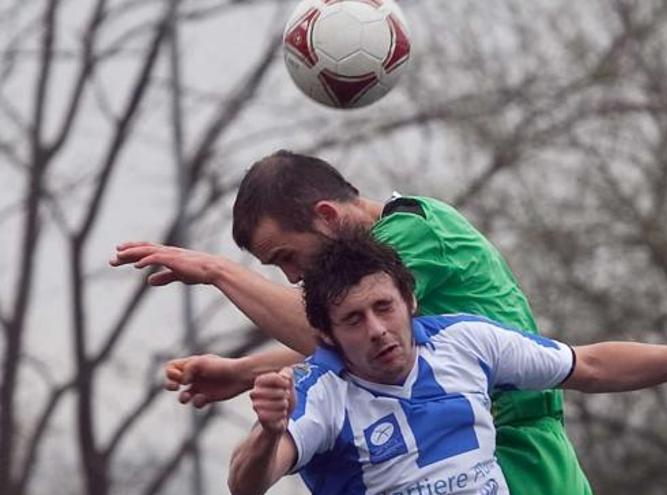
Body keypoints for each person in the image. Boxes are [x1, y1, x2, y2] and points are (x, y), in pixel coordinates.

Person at [110, 151, 591, 494]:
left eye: (286, 257)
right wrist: (242, 373)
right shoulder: (404, 235)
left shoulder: (408, 236)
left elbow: (323, 329)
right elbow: (348, 346)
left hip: (513, 455)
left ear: (326, 216)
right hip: (477, 450)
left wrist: (219, 273)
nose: (294, 276)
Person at [228, 230, 667, 495]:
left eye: (384, 308)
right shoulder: (322, 392)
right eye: (354, 319)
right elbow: (245, 483)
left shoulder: (464, 343)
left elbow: (591, 365)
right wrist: (268, 430)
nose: (377, 330)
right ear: (325, 334)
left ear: (410, 301)